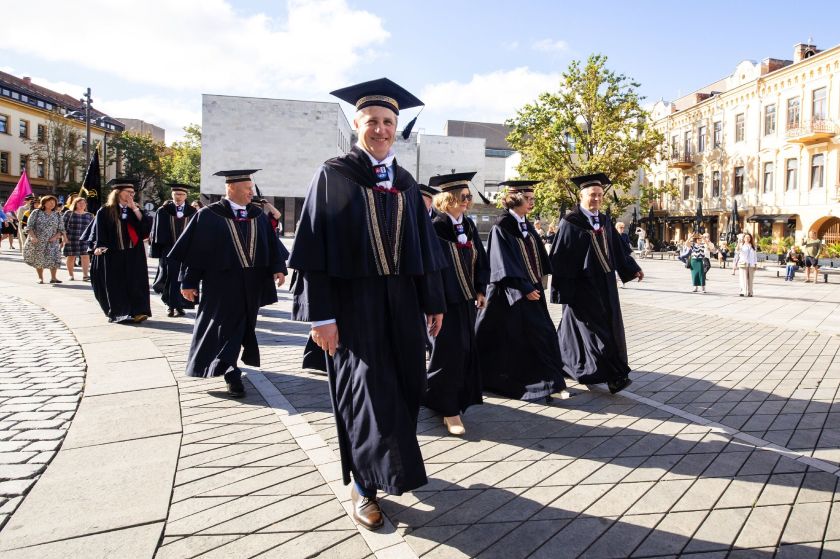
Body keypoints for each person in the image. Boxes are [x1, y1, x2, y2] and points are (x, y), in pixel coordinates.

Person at [288, 78, 447, 531]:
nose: (381, 129)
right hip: (353, 307)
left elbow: (424, 249)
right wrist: (321, 316)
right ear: (357, 125)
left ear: (397, 129)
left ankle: (387, 470)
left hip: (401, 304)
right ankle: (363, 487)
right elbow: (315, 250)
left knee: (404, 389)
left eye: (389, 122)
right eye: (372, 121)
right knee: (367, 396)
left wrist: (432, 302)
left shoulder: (405, 181)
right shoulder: (335, 174)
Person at [169, 169, 288, 397]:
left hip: (251, 284)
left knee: (243, 326)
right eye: (247, 189)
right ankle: (231, 373)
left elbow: (270, 244)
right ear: (231, 188)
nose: (251, 193)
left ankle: (228, 365)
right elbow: (196, 252)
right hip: (221, 284)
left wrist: (278, 268)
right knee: (226, 327)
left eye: (251, 188)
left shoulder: (257, 214)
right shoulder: (209, 216)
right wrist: (189, 282)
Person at [549, 173, 644, 394]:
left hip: (606, 284)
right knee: (597, 331)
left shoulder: (604, 220)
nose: (597, 199)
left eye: (600, 195)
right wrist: (563, 291)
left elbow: (617, 250)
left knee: (577, 328)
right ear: (581, 196)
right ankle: (615, 375)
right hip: (581, 286)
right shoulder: (570, 222)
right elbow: (560, 258)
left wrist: (632, 268)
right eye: (593, 195)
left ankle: (562, 363)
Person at [475, 179, 567, 403]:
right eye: (528, 199)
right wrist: (523, 287)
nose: (532, 203)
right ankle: (485, 376)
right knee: (499, 335)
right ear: (515, 199)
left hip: (530, 289)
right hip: (509, 293)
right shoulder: (502, 226)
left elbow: (538, 256)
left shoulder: (525, 225)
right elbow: (502, 262)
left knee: (540, 334)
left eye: (533, 199)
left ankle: (549, 382)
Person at [424, 172, 489, 436]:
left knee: (464, 350)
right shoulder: (436, 227)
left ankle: (458, 401)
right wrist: (434, 305)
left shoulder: (469, 226)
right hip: (444, 301)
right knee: (446, 352)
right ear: (448, 198)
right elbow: (430, 270)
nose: (467, 201)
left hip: (466, 300)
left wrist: (481, 288)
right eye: (463, 197)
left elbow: (480, 259)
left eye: (469, 196)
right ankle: (448, 409)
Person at [89, 179, 153, 324]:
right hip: (113, 253)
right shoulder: (105, 211)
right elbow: (100, 231)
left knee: (135, 282)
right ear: (118, 193)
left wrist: (135, 209)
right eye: (128, 192)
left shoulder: (135, 210)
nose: (132, 194)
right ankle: (119, 312)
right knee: (116, 284)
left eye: (133, 192)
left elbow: (145, 229)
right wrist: (100, 246)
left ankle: (139, 312)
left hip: (133, 253)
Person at [150, 183, 198, 316]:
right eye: (176, 194)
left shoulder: (192, 211)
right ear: (172, 195)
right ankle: (171, 305)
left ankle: (180, 305)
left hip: (186, 250)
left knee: (184, 276)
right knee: (171, 276)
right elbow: (158, 232)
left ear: (186, 196)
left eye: (182, 194)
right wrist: (160, 251)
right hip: (169, 249)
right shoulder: (164, 210)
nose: (179, 197)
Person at [23, 195, 65, 284]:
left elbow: (61, 229)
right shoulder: (36, 212)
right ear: (44, 203)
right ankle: (40, 278)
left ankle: (54, 277)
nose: (52, 204)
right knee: (39, 258)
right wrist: (33, 237)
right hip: (38, 240)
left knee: (54, 259)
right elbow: (29, 226)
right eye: (49, 202)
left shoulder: (57, 214)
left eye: (53, 202)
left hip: (52, 241)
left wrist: (56, 237)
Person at [62, 197, 94, 281]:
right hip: (71, 238)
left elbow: (92, 228)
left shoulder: (89, 215)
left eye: (83, 203)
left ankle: (85, 275)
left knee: (85, 256)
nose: (82, 205)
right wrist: (64, 238)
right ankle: (70, 275)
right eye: (79, 203)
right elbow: (62, 227)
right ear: (75, 204)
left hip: (85, 239)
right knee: (71, 257)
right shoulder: (69, 213)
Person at [737, 232, 758, 296]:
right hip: (743, 263)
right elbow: (737, 250)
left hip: (751, 264)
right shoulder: (741, 245)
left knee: (751, 279)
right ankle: (743, 291)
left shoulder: (753, 246)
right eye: (746, 237)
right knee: (743, 278)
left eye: (749, 237)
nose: (747, 238)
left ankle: (750, 292)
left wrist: (755, 264)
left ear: (750, 238)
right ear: (744, 238)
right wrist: (738, 242)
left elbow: (755, 256)